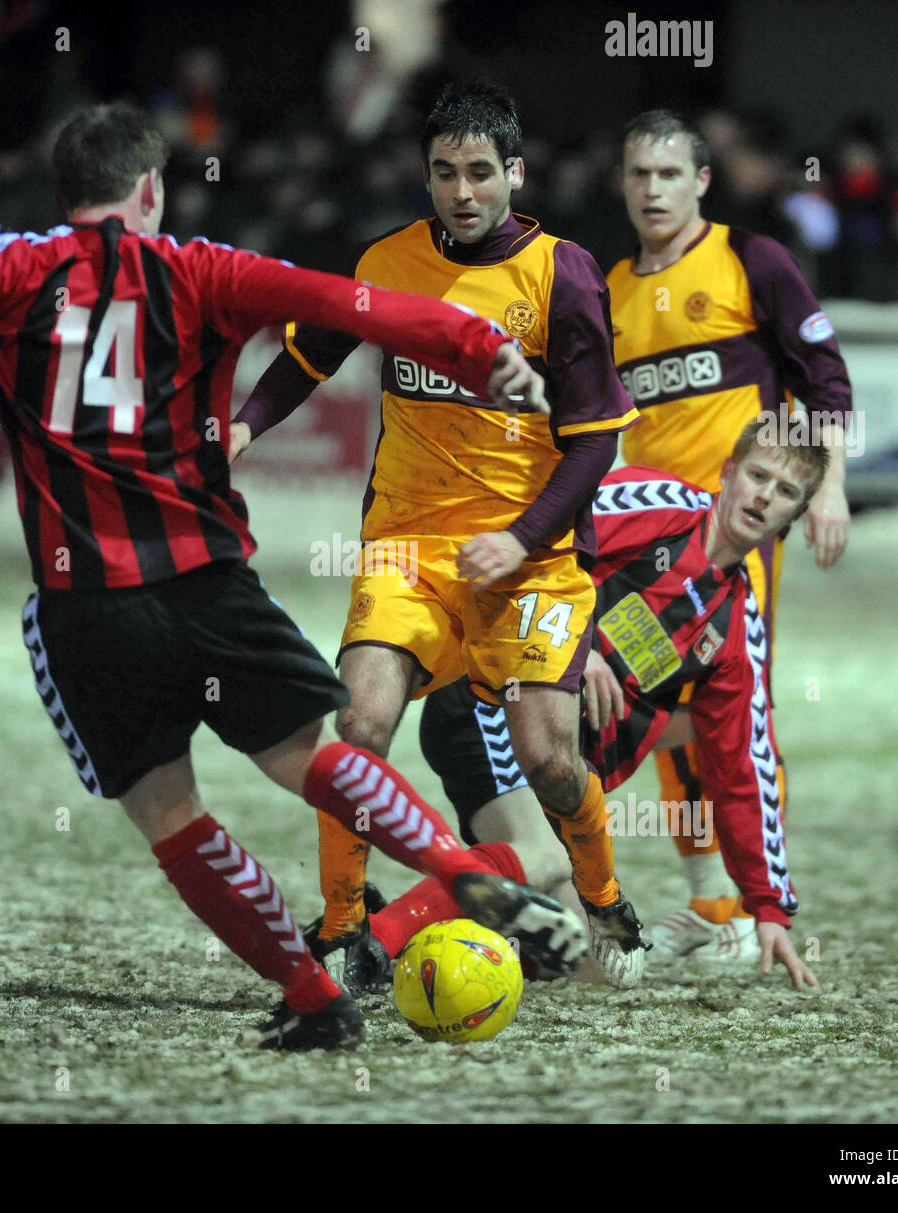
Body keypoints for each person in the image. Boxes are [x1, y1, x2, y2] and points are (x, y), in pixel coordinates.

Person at [0, 102, 590, 1052]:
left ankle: (314, 996)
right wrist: (483, 350)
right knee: (309, 758)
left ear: (62, 194)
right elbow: (356, 306)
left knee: (170, 814)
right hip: (207, 585)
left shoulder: (12, 265)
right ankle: (459, 866)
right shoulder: (204, 269)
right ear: (151, 190)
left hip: (87, 606)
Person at [231, 80, 649, 987]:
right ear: (426, 177)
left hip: (530, 559)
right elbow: (307, 354)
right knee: (358, 721)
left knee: (547, 753)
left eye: (481, 173)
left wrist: (523, 536)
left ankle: (606, 899)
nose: (463, 192)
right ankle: (346, 928)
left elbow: (593, 445)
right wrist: (242, 428)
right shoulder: (384, 262)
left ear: (516, 174)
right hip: (407, 548)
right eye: (445, 173)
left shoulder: (561, 274)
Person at [394, 422, 822, 991]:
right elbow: (537, 534)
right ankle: (370, 939)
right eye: (758, 475)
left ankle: (445, 935)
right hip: (492, 707)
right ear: (727, 473)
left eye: (786, 492)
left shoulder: (738, 626)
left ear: (791, 518)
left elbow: (743, 768)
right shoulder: (661, 505)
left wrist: (767, 907)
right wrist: (576, 639)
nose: (765, 496)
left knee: (596, 969)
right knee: (540, 861)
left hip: (564, 780)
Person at [595, 109, 852, 958]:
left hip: (739, 531)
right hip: (649, 532)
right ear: (623, 185)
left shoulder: (752, 261)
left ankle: (744, 906)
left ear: (702, 181)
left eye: (670, 174)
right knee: (648, 693)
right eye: (640, 174)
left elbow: (825, 377)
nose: (653, 189)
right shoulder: (608, 291)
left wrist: (828, 488)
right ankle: (715, 905)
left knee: (733, 708)